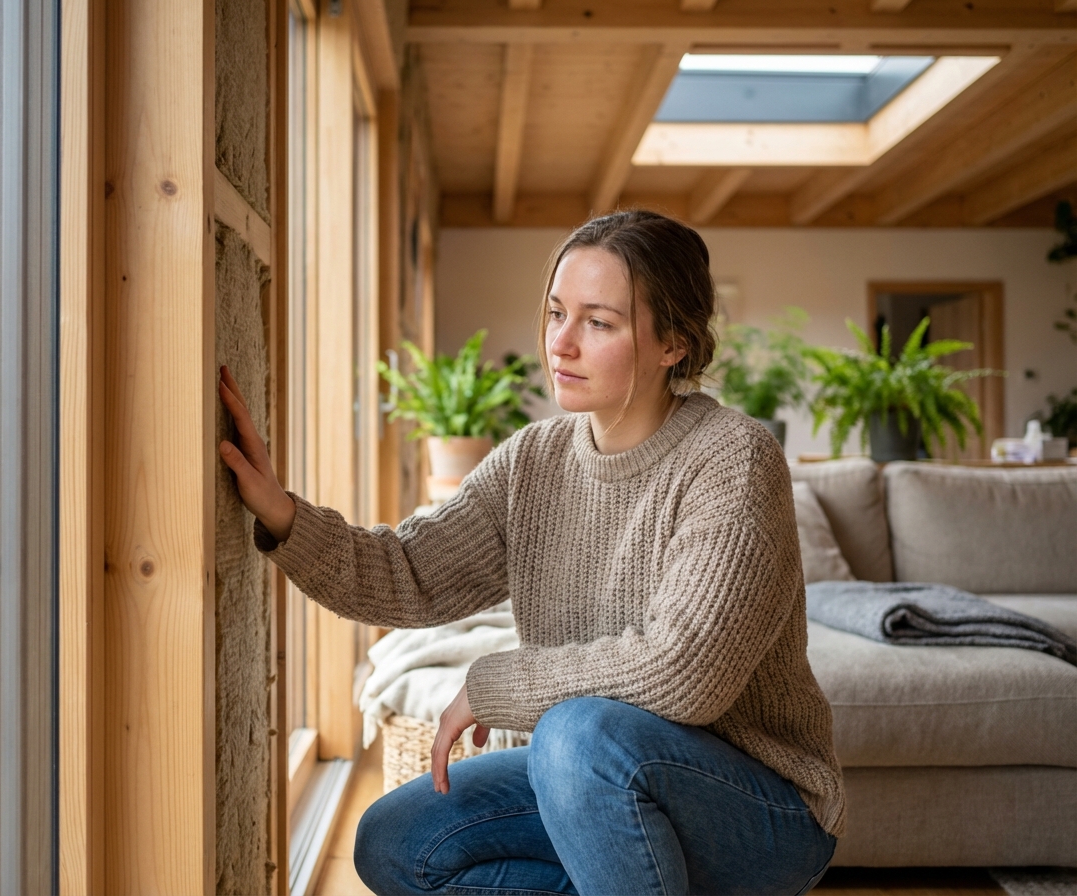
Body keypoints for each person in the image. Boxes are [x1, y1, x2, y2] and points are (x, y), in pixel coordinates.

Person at [219, 210, 844, 896]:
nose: (561, 344)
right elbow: (409, 574)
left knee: (577, 733)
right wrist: (283, 514)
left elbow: (682, 673)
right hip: (587, 776)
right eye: (555, 313)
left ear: (673, 343)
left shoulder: (734, 459)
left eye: (598, 323)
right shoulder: (533, 462)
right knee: (395, 841)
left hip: (760, 808)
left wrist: (497, 684)